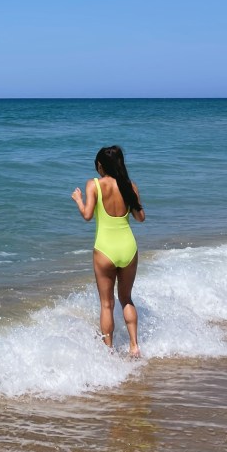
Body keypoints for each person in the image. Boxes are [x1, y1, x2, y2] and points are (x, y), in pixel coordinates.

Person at [71, 145, 145, 356]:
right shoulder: (130, 185)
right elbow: (141, 218)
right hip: (128, 247)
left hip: (105, 249)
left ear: (100, 165)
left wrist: (78, 200)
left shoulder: (93, 185)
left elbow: (87, 215)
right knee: (126, 299)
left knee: (106, 304)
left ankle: (108, 352)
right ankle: (134, 346)